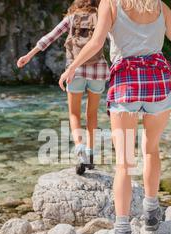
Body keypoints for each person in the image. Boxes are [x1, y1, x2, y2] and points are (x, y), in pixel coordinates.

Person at [59, 0, 171, 234]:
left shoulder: (111, 4)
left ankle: (123, 233)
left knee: (124, 162)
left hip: (127, 83)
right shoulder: (160, 7)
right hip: (158, 81)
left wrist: (73, 67)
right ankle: (151, 211)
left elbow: (95, 43)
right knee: (151, 149)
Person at [17, 0, 110, 175]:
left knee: (74, 113)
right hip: (98, 70)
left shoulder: (71, 18)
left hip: (74, 71)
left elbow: (50, 37)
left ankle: (80, 149)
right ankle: (90, 153)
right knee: (92, 113)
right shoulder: (100, 17)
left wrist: (29, 55)